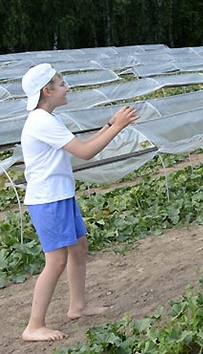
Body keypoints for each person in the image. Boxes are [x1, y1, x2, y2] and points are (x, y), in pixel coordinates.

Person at [20, 63, 140, 342]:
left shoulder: (48, 118)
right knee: (56, 261)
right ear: (47, 91)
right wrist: (118, 128)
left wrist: (110, 125)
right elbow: (85, 153)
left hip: (59, 195)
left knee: (79, 248)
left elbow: (80, 145)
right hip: (48, 200)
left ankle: (78, 306)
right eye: (62, 84)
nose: (67, 88)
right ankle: (33, 326)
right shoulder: (42, 121)